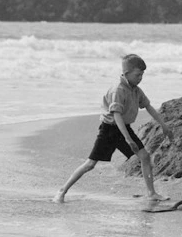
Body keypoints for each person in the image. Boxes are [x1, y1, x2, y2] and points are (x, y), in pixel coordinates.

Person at [54, 54, 174, 203]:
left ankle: (151, 193)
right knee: (90, 164)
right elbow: (116, 115)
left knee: (145, 157)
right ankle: (62, 191)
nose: (140, 78)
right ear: (126, 73)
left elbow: (148, 107)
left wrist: (164, 126)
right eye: (138, 75)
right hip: (109, 130)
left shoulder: (136, 90)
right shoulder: (117, 90)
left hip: (124, 128)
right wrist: (128, 139)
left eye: (142, 75)